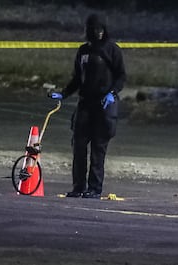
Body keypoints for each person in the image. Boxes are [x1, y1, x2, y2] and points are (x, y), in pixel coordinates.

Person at [49, 14, 126, 199]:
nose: (98, 33)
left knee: (98, 149)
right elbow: (77, 78)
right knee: (79, 146)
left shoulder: (112, 50)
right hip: (85, 104)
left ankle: (95, 188)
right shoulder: (83, 51)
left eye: (101, 29)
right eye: (95, 29)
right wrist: (65, 93)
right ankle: (78, 187)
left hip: (103, 106)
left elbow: (121, 76)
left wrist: (112, 93)